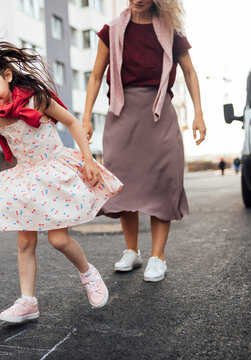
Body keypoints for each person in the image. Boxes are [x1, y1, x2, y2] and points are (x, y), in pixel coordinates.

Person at [0, 41, 123, 323]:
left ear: (7, 76)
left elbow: (72, 123)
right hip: (26, 180)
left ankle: (88, 273)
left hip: (54, 172)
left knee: (59, 239)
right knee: (25, 242)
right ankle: (28, 301)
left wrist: (87, 158)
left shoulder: (37, 99)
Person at [82, 0, 206, 282]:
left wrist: (199, 114)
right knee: (123, 185)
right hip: (122, 114)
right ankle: (132, 251)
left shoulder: (171, 29)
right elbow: (96, 76)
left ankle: (157, 257)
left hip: (159, 113)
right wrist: (86, 117)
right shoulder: (111, 30)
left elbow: (190, 72)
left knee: (162, 184)